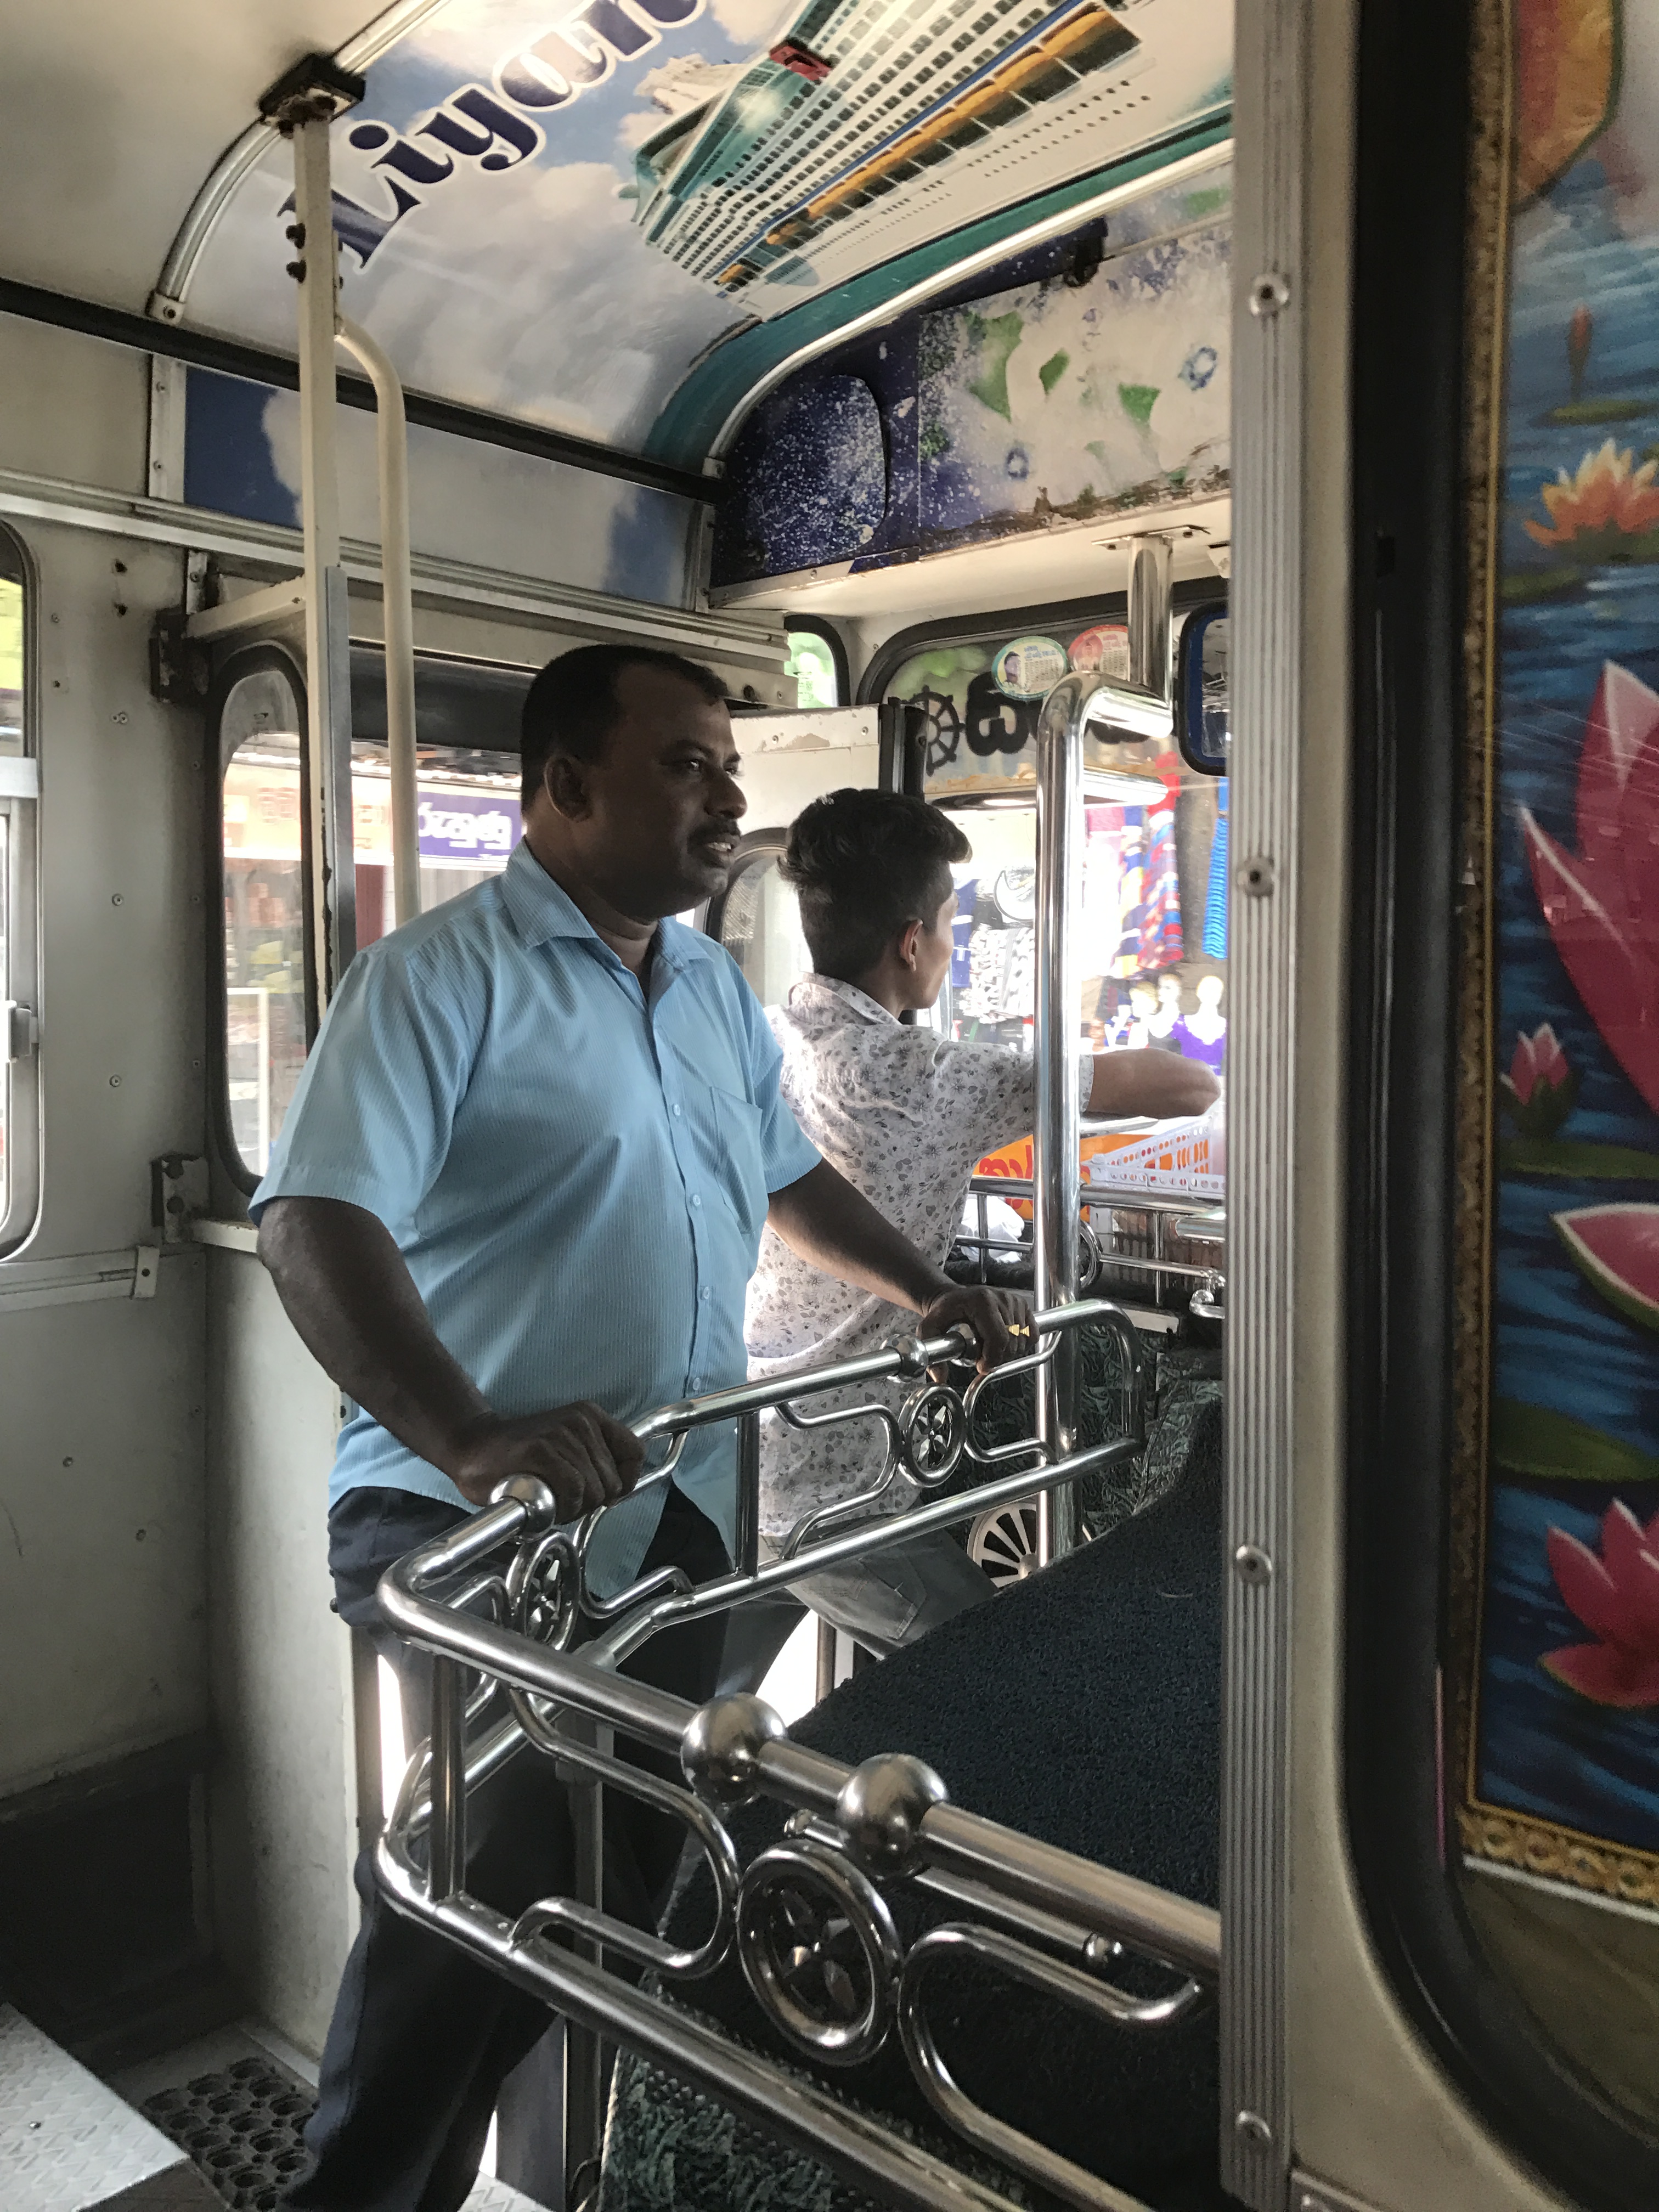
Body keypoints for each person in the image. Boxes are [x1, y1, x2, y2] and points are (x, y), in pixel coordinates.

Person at [253, 648, 1020, 2212]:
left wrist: (927, 1289)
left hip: (674, 1516)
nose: (728, 798)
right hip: (483, 1529)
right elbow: (312, 1222)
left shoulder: (710, 991)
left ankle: (494, 2176)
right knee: (465, 1912)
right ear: (565, 784)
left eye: (728, 765)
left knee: (586, 1910)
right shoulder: (439, 978)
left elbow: (784, 1179)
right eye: (687, 765)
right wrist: (473, 1438)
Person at [729, 788, 1220, 1689]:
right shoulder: (927, 1077)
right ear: (912, 942)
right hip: (837, 1490)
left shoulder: (764, 1038)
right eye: (953, 924)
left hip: (743, 1441)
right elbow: (1185, 1088)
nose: (955, 946)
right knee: (1007, 1680)